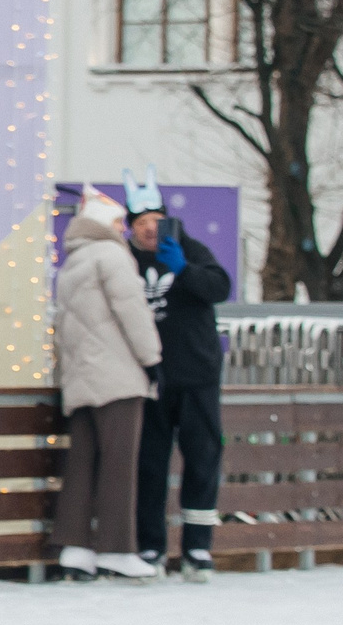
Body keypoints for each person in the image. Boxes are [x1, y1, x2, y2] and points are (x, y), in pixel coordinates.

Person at [124, 169, 233, 581]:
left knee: (203, 459)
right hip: (149, 376)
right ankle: (151, 544)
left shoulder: (191, 249)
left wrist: (184, 269)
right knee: (150, 463)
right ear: (131, 228)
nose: (150, 230)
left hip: (197, 374)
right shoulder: (126, 261)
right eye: (141, 223)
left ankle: (198, 548)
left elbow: (219, 287)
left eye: (156, 220)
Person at [52, 185, 161, 581]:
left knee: (82, 463)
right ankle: (117, 548)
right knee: (120, 463)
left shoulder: (71, 264)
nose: (124, 229)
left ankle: (74, 547)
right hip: (117, 377)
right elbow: (132, 311)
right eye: (118, 222)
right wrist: (152, 360)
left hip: (81, 380)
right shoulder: (113, 256)